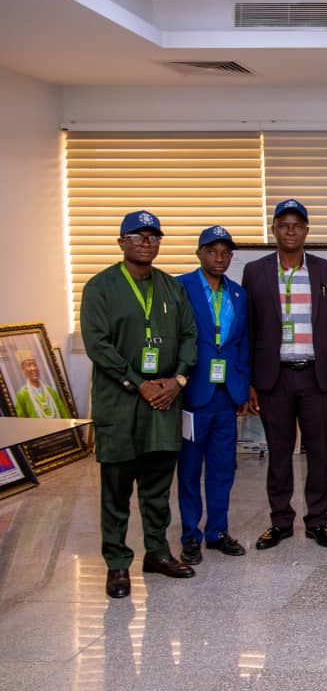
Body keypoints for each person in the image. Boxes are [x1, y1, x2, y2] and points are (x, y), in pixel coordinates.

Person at [81, 210, 198, 599]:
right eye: (137, 236)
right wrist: (137, 382)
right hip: (120, 402)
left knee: (157, 486)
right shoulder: (101, 287)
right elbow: (97, 344)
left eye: (153, 237)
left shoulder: (171, 288)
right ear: (121, 243)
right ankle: (117, 563)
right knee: (116, 489)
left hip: (163, 401)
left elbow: (189, 335)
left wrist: (177, 380)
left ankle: (158, 553)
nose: (146, 243)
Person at [242, 199, 327, 551]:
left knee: (320, 454)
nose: (290, 231)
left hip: (315, 376)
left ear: (306, 231)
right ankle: (281, 521)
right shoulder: (255, 271)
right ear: (273, 229)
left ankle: (318, 521)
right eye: (283, 224)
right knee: (279, 453)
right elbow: (248, 328)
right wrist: (249, 381)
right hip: (274, 378)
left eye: (297, 225)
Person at [176, 226, 251, 565]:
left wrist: (244, 387)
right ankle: (190, 535)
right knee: (190, 469)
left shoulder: (238, 294)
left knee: (223, 468)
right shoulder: (181, 287)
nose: (219, 258)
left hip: (227, 395)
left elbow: (242, 343)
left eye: (225, 252)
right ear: (199, 254)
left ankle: (217, 531)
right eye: (212, 251)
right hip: (193, 392)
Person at [13, 350, 71, 419]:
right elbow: (22, 420)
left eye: (35, 364)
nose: (33, 368)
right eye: (29, 365)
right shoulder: (22, 395)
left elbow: (64, 414)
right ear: (23, 370)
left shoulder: (50, 390)